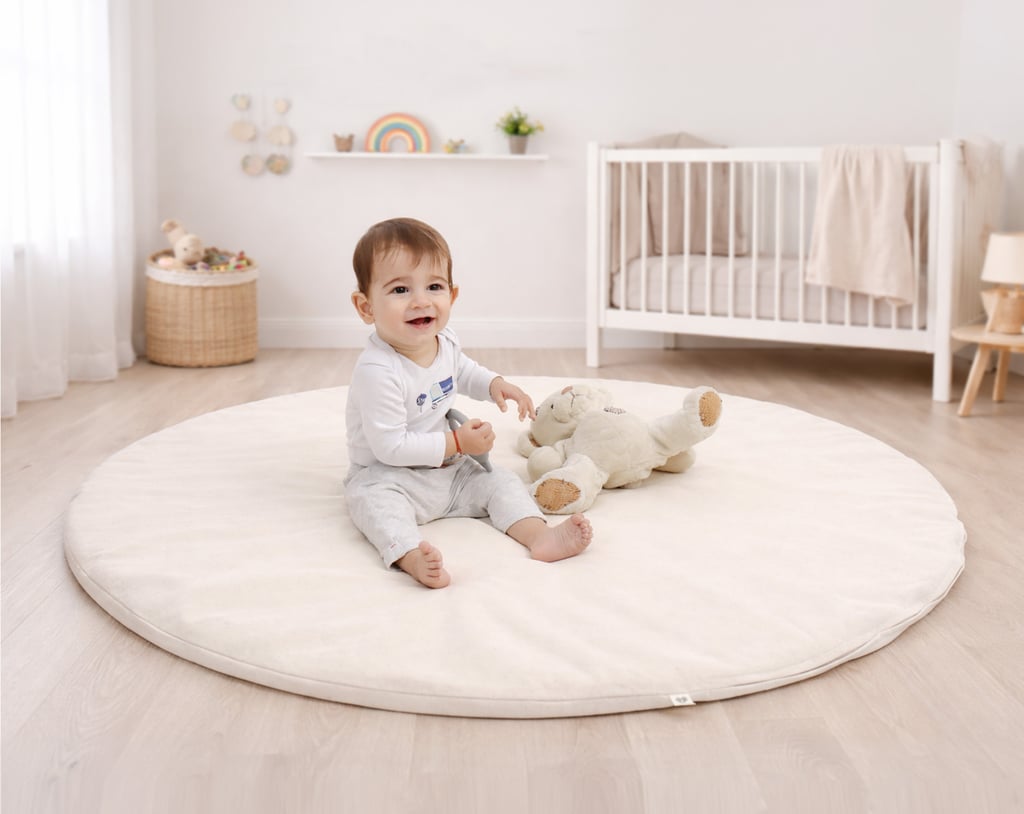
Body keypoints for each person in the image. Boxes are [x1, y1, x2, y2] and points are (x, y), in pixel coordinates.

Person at [344, 217, 593, 588]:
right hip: (389, 476)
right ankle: (410, 555)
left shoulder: (444, 341)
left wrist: (495, 384)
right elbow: (390, 447)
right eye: (400, 290)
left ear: (452, 295)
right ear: (366, 307)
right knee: (374, 505)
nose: (421, 301)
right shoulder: (378, 371)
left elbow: (461, 370)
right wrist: (457, 441)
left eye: (434, 286)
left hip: (449, 470)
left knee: (500, 481)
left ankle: (540, 536)